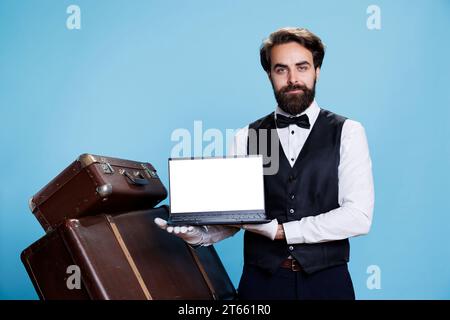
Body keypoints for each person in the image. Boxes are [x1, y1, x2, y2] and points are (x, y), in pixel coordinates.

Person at [155, 27, 374, 300]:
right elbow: (235, 217)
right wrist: (199, 236)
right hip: (262, 285)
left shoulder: (349, 132)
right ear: (269, 74)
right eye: (281, 69)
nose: (293, 79)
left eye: (302, 67)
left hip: (327, 283)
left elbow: (358, 217)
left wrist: (283, 232)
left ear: (317, 70)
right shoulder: (247, 136)